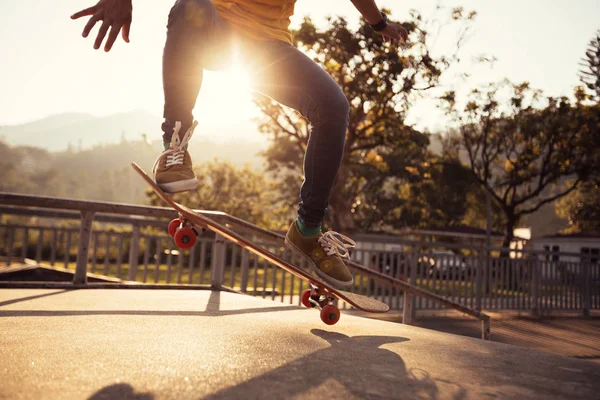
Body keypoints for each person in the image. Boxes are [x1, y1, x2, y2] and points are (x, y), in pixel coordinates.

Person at [71, 0, 407, 289]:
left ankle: (309, 228)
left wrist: (379, 24)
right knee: (189, 4)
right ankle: (175, 147)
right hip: (215, 26)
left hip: (269, 50)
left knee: (333, 107)